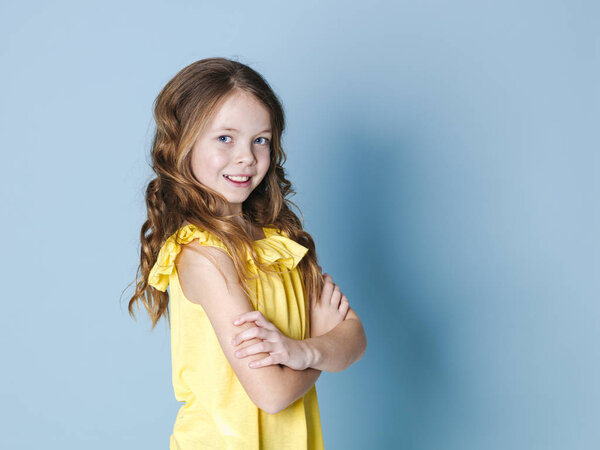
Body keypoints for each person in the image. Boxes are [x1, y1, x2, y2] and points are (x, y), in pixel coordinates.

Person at [128, 57, 367, 450]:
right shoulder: (204, 255)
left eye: (261, 140)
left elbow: (354, 340)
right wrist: (320, 349)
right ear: (184, 142)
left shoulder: (281, 243)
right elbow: (271, 393)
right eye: (225, 138)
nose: (246, 156)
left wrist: (304, 351)